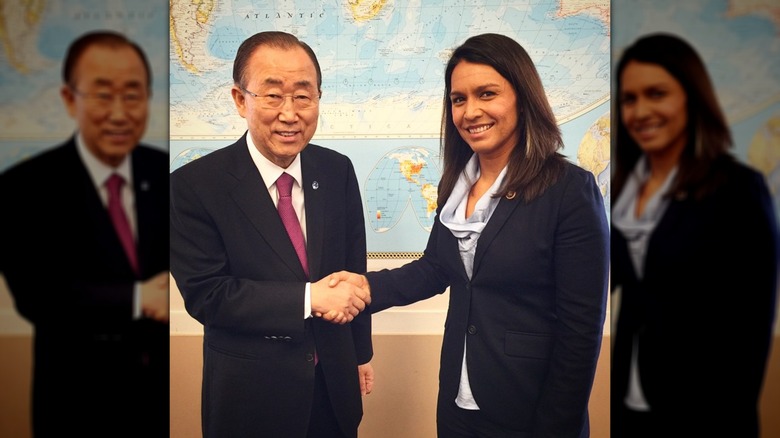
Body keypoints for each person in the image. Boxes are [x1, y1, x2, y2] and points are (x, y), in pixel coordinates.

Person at [330, 33, 610, 437]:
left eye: (486, 93)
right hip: (459, 404)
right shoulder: (456, 186)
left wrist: (556, 425)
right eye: (458, 99)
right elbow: (434, 270)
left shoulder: (568, 190)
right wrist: (364, 288)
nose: (470, 111)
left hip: (530, 408)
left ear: (522, 96)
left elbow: (581, 331)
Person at [169, 31, 374, 438]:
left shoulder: (337, 171)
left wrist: (360, 353)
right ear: (239, 99)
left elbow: (353, 268)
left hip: (333, 389)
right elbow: (208, 295)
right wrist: (308, 297)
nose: (290, 112)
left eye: (303, 95)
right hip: (251, 398)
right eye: (272, 95)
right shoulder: (193, 186)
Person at [0, 31, 169, 437]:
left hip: (157, 406)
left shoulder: (165, 175)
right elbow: (37, 295)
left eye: (132, 95)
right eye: (101, 95)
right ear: (69, 98)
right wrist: (138, 298)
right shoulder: (22, 187)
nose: (118, 113)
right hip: (76, 405)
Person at [611, 33, 778, 438]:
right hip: (629, 405)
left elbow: (751, 329)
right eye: (630, 99)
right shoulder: (621, 190)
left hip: (704, 413)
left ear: (691, 96)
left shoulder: (737, 190)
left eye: (657, 93)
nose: (640, 110)